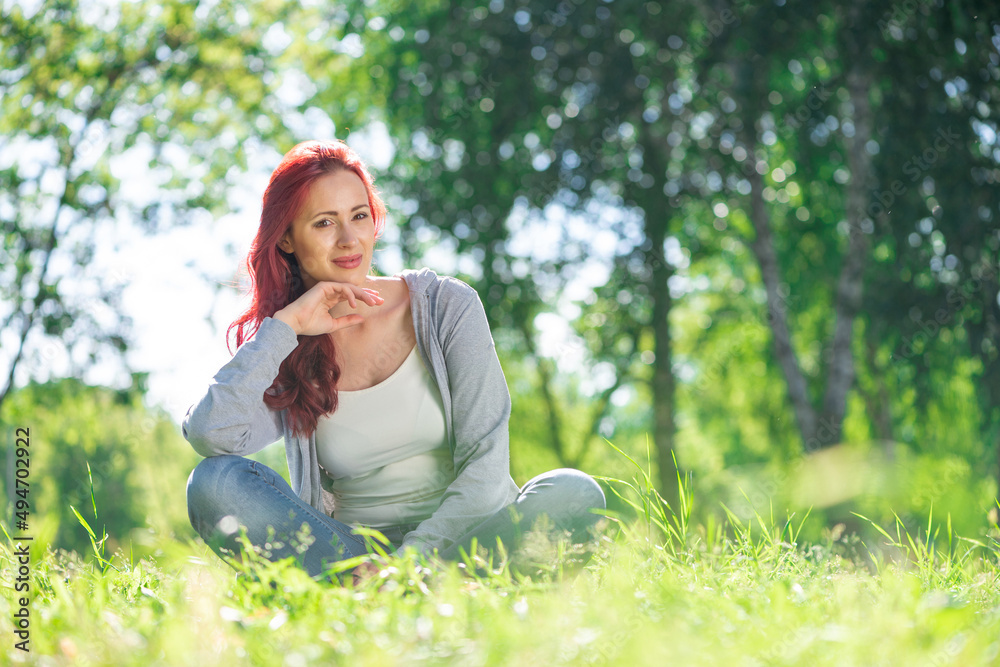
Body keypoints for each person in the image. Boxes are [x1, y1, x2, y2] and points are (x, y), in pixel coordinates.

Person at [183, 139, 605, 582]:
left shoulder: (445, 305)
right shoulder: (290, 342)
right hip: (349, 555)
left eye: (359, 216)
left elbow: (487, 468)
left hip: (465, 541)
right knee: (213, 483)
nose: (349, 240)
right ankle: (406, 593)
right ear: (286, 237)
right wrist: (283, 328)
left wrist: (410, 564)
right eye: (325, 222)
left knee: (573, 493)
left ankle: (401, 593)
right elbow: (213, 436)